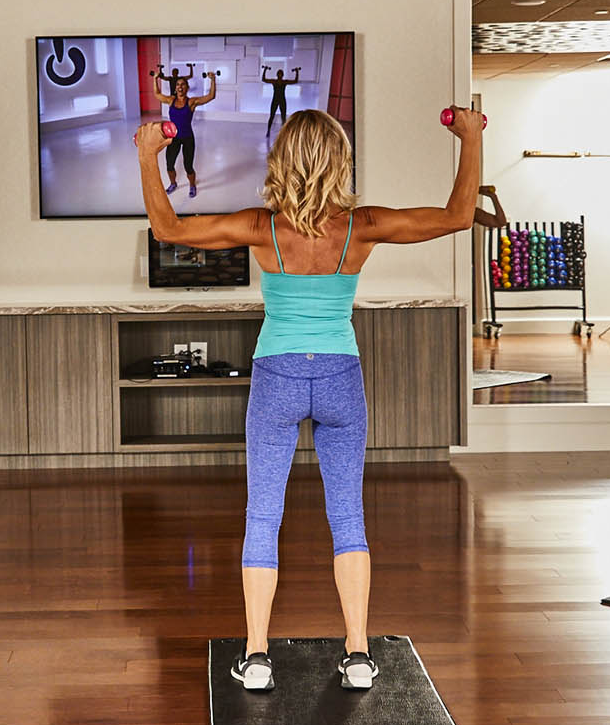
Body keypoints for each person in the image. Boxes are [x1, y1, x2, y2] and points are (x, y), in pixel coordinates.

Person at [135, 106, 484, 691]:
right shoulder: (362, 226)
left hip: (278, 376)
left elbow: (168, 229)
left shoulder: (261, 227)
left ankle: (256, 657)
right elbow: (458, 216)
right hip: (341, 375)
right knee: (347, 517)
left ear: (281, 161)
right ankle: (358, 655)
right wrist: (470, 138)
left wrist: (148, 156)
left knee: (263, 516)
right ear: (341, 162)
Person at [153, 69, 219, 199]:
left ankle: (192, 185)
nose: (180, 87)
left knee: (188, 166)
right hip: (173, 138)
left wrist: (213, 80)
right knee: (169, 165)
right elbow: (157, 94)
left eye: (183, 84)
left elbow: (211, 96)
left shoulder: (191, 102)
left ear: (187, 88)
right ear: (175, 88)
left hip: (188, 137)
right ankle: (173, 184)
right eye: (178, 84)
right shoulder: (171, 100)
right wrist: (155, 79)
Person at [261, 65, 301, 138]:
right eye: (279, 73)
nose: (280, 75)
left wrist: (297, 72)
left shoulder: (284, 82)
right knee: (272, 116)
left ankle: (283, 132)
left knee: (283, 117)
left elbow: (295, 81)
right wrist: (265, 70)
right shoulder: (274, 81)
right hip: (275, 100)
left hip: (282, 100)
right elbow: (264, 79)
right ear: (277, 75)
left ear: (282, 75)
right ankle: (268, 131)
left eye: (281, 73)